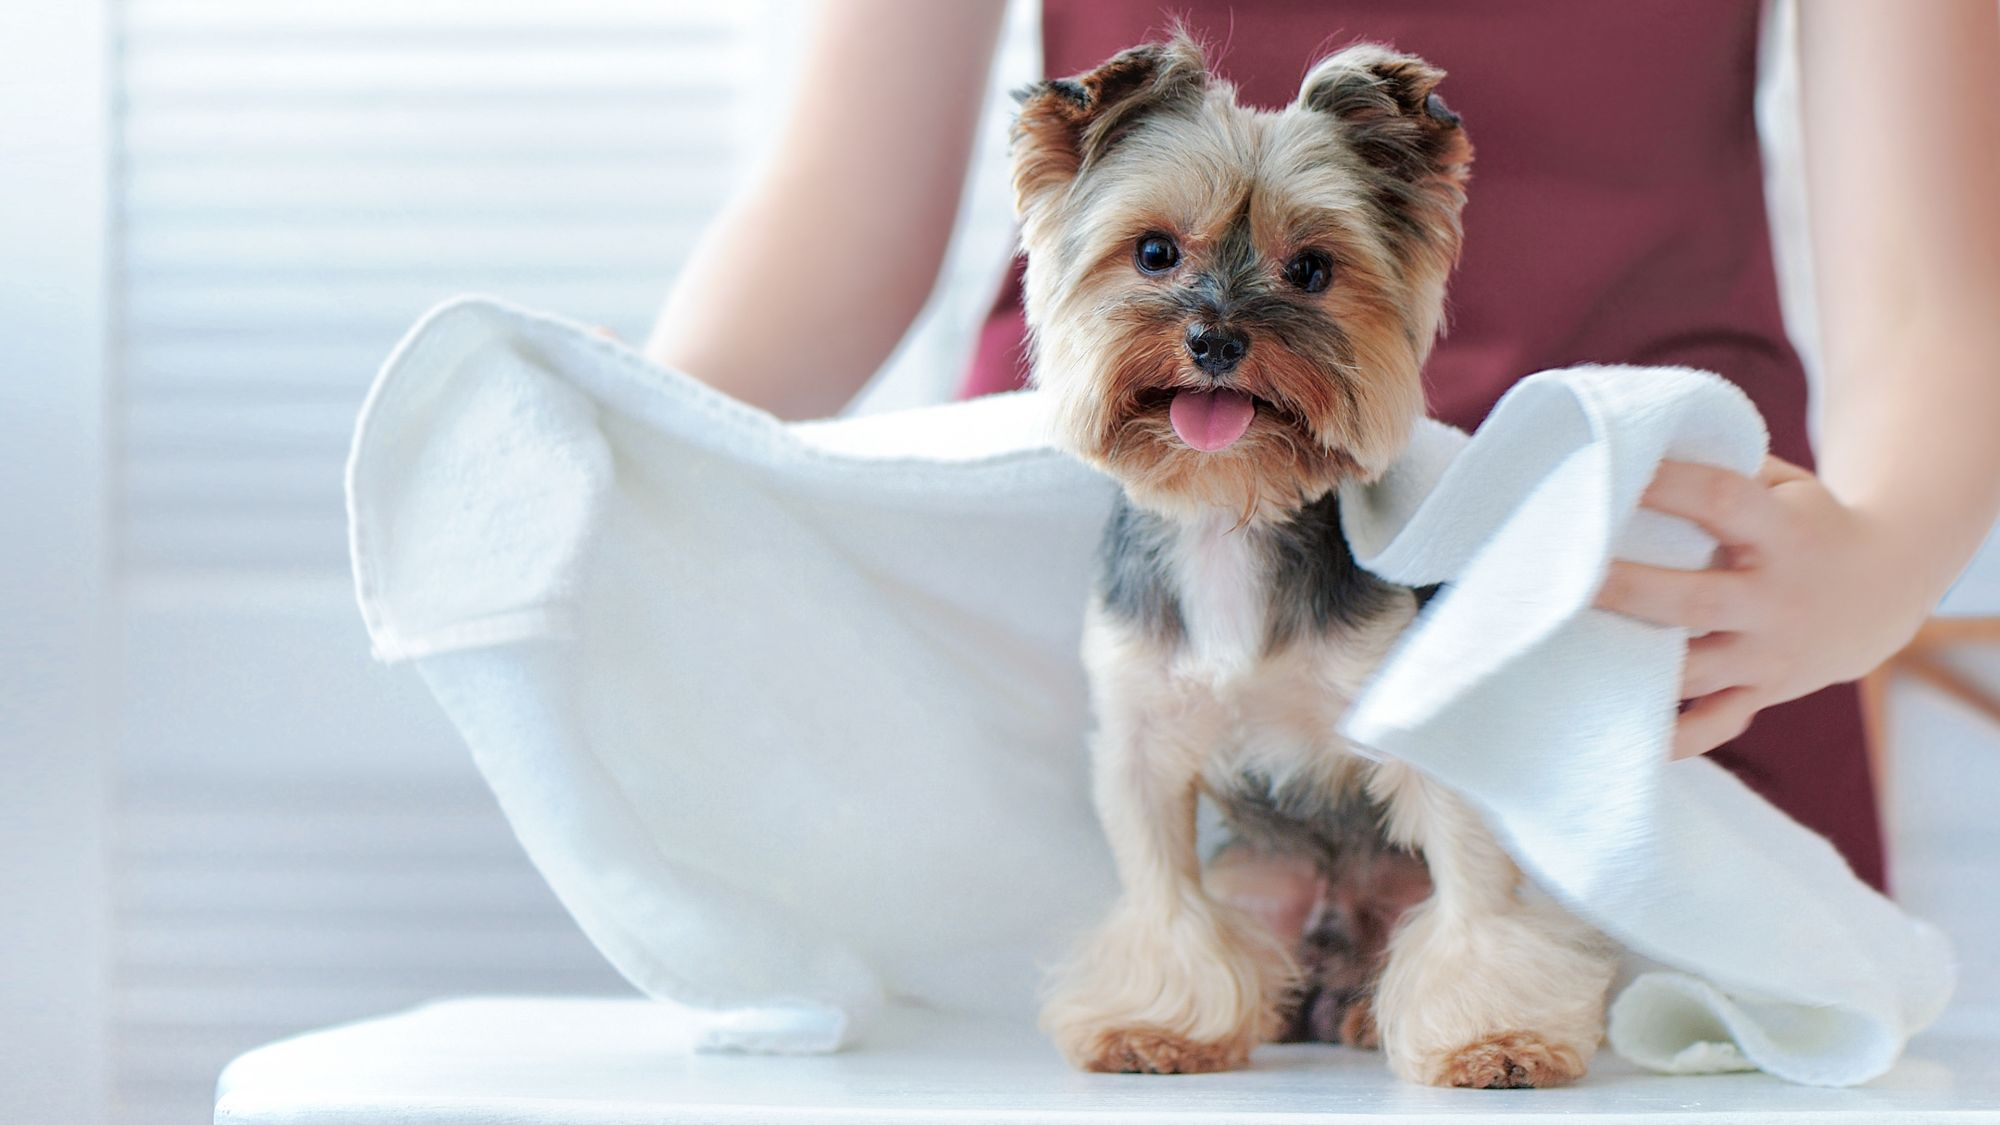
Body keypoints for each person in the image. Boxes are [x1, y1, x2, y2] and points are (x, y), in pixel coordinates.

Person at [645, 0, 2000, 894]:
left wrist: (1880, 559)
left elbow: (1935, 294)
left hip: (1628, 608)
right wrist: (624, 448)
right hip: (1104, 589)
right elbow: (836, 218)